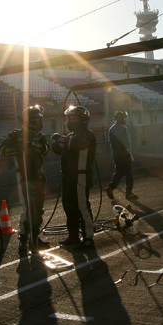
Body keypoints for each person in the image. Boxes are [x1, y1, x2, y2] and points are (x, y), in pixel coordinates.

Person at [0, 105, 50, 252]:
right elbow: (1, 151)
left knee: (38, 210)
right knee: (28, 209)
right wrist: (19, 147)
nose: (36, 123)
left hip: (38, 176)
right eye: (33, 120)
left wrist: (31, 145)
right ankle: (23, 239)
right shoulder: (15, 135)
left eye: (38, 120)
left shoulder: (40, 136)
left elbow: (45, 149)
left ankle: (35, 237)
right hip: (23, 176)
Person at [51, 105, 96, 249]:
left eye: (74, 117)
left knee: (82, 207)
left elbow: (76, 145)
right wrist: (57, 142)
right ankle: (73, 236)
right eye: (69, 117)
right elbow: (58, 149)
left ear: (82, 119)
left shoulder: (87, 135)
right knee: (69, 207)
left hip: (81, 177)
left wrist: (60, 140)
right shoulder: (71, 135)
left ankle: (88, 237)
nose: (70, 120)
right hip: (68, 178)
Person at [106, 110, 137, 201]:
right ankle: (129, 193)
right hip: (123, 154)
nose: (125, 119)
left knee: (119, 173)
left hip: (116, 154)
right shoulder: (123, 128)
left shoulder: (112, 128)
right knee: (129, 174)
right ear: (121, 118)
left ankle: (111, 187)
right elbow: (126, 142)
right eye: (124, 118)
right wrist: (128, 153)